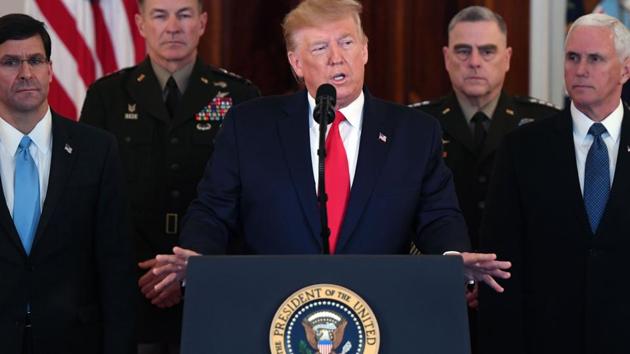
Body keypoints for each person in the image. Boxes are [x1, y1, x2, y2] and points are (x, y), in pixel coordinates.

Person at [147, 0, 510, 303]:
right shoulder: (251, 126)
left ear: (365, 50)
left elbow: (438, 216)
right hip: (272, 306)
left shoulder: (413, 132)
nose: (338, 58)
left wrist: (452, 262)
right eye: (320, 48)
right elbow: (213, 210)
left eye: (347, 43)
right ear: (296, 63)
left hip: (380, 309)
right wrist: (196, 256)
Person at [79, 0, 260, 352]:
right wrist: (150, 274)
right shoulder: (107, 96)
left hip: (214, 282)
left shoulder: (239, 96)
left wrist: (192, 268)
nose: (173, 26)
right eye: (160, 15)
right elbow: (88, 197)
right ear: (141, 23)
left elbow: (253, 197)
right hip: (128, 283)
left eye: (185, 14)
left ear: (203, 23)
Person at [479, 13, 630, 354]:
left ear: (625, 69)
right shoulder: (523, 148)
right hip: (545, 338)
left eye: (595, 59)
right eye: (572, 57)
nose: (580, 69)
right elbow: (501, 262)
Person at [0, 14, 135, 354]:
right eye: (10, 62)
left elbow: (115, 264)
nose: (25, 73)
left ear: (49, 68)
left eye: (35, 60)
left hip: (75, 341)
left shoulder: (97, 149)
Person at [412, 6, 559, 251]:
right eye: (463, 51)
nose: (475, 62)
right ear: (447, 58)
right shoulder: (416, 124)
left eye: (487, 51)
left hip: (519, 276)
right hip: (440, 273)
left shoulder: (544, 122)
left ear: (507, 58)